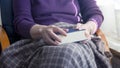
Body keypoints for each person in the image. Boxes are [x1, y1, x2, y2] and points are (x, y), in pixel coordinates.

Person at [0, 0, 112, 68]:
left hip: (75, 37)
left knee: (69, 53)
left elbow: (95, 14)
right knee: (65, 55)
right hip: (39, 39)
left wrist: (88, 27)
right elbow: (21, 22)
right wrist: (42, 31)